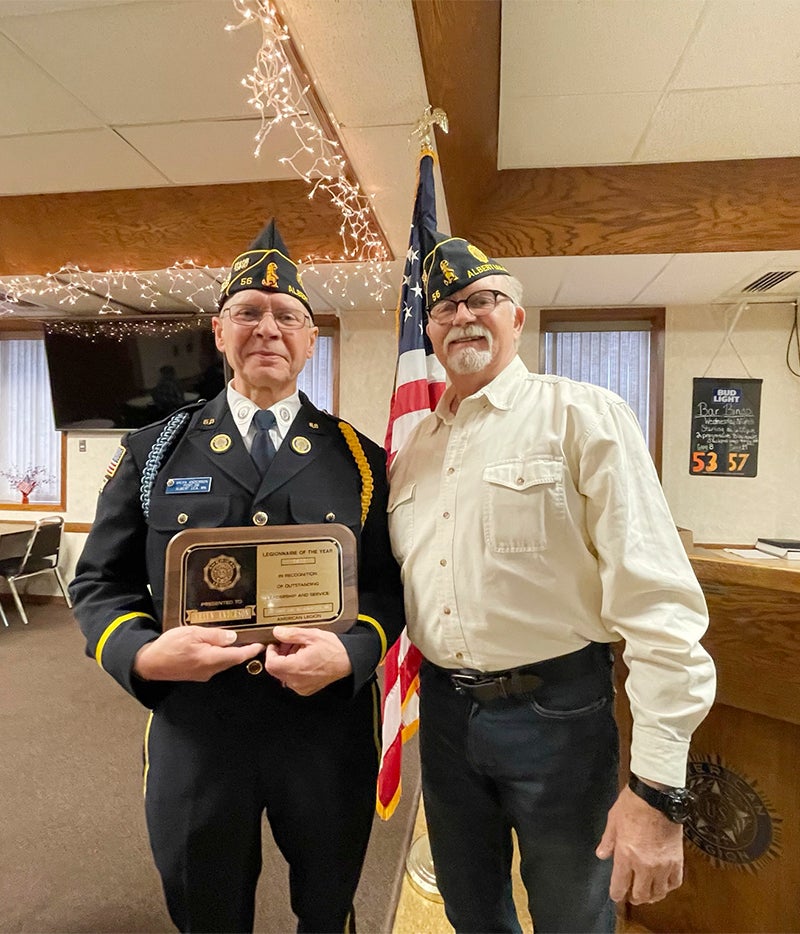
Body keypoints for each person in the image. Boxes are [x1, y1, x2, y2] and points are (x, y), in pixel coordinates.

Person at [70, 219, 405, 934]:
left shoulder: (361, 461)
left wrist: (351, 653)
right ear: (219, 332)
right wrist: (142, 654)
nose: (268, 329)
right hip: (198, 732)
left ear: (312, 339)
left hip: (324, 731)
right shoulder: (153, 451)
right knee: (205, 906)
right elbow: (100, 582)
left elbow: (388, 586)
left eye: (288, 316)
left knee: (326, 904)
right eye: (248, 312)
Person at [387, 231, 716, 933]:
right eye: (444, 307)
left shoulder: (582, 416)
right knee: (471, 909)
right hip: (445, 716)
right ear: (430, 331)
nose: (463, 316)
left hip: (556, 718)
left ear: (517, 317)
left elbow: (659, 606)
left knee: (571, 916)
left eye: (484, 299)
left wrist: (657, 790)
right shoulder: (415, 448)